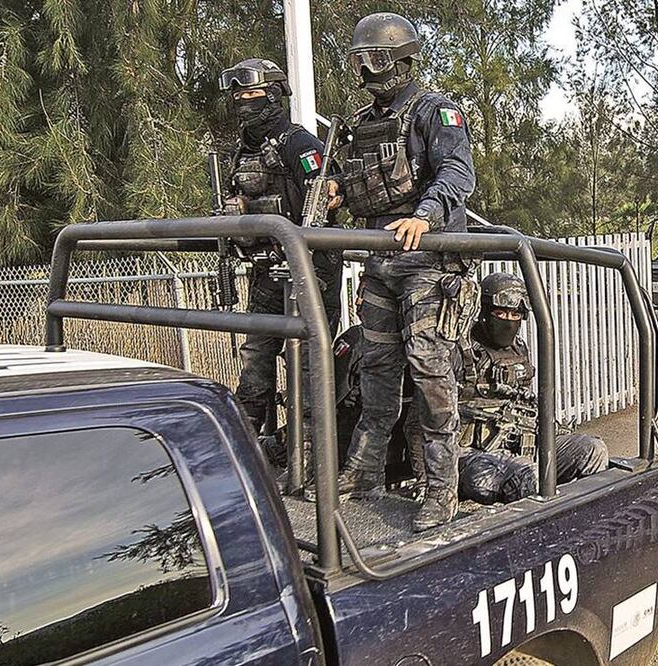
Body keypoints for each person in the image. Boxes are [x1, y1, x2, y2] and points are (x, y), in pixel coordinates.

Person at [330, 12, 477, 532]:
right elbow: (364, 185)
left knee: (431, 373)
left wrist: (426, 215)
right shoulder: (360, 122)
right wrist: (338, 193)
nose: (365, 69)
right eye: (359, 59)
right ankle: (363, 472)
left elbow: (458, 172)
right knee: (375, 372)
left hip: (427, 265)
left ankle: (442, 490)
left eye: (374, 58)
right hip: (380, 264)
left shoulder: (435, 112)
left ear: (399, 59)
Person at [218, 58, 343, 438]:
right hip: (264, 271)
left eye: (253, 94)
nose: (245, 103)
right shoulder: (241, 153)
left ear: (273, 96)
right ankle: (249, 437)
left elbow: (327, 198)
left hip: (310, 272)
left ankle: (309, 447)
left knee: (308, 364)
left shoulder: (299, 144)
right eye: (239, 96)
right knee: (255, 357)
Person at [445, 273, 609, 504]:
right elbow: (429, 416)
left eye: (515, 315)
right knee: (527, 475)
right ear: (483, 312)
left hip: (520, 442)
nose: (509, 320)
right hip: (471, 454)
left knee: (593, 450)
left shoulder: (518, 349)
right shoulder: (460, 351)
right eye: (500, 313)